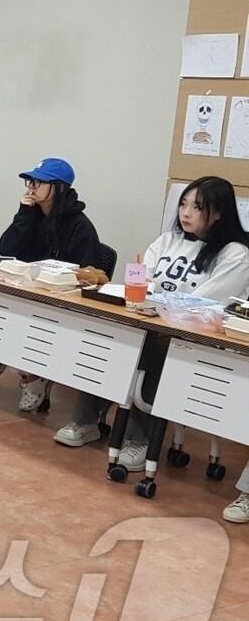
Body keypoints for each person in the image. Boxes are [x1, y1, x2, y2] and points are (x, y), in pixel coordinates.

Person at [54, 178, 249, 486]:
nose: (186, 213)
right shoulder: (168, 240)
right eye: (183, 204)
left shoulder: (236, 254)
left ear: (218, 214)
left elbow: (209, 301)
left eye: (197, 208)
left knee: (156, 345)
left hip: (199, 336)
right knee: (109, 333)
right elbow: (144, 279)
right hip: (153, 318)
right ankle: (86, 420)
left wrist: (156, 301)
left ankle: (139, 440)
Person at [0, 158, 99, 409]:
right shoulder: (30, 214)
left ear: (59, 187)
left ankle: (35, 378)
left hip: (54, 300)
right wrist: (24, 214)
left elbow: (83, 275)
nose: (31, 187)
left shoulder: (80, 226)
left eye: (39, 182)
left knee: (30, 323)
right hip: (21, 290)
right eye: (30, 181)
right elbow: (5, 249)